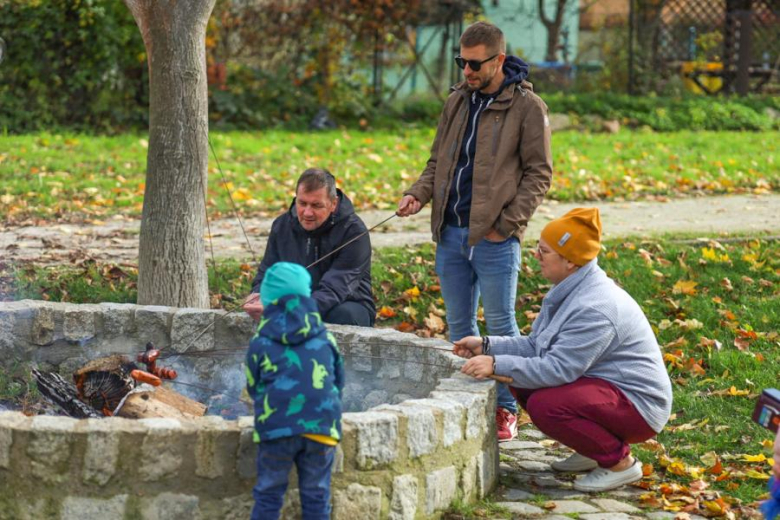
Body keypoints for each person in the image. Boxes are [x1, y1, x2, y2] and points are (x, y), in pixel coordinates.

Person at [397, 21, 553, 442]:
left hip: (494, 238)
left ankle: (507, 410)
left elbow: (539, 174)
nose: (466, 70)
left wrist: (507, 226)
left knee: (501, 328)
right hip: (450, 232)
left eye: (474, 63)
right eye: (461, 62)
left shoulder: (527, 107)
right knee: (459, 325)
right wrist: (418, 195)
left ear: (499, 59)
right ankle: (465, 402)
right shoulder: (457, 101)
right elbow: (437, 162)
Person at [453, 208, 673, 492]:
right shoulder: (569, 288)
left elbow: (558, 369)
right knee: (524, 384)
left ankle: (619, 464)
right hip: (604, 388)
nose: (536, 255)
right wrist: (486, 345)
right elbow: (535, 346)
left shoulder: (596, 308)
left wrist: (495, 365)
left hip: (639, 406)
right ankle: (591, 447)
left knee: (547, 406)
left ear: (569, 260)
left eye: (544, 251)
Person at [246, 261, 343, 520]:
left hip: (275, 429)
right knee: (317, 495)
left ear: (266, 301)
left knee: (268, 494)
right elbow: (338, 381)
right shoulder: (325, 337)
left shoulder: (261, 341)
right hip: (322, 428)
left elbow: (253, 385)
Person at [244, 168, 375, 327]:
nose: (307, 213)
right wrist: (257, 295)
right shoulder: (281, 225)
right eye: (302, 203)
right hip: (291, 305)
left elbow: (335, 289)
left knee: (342, 315)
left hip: (344, 304)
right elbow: (267, 272)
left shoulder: (354, 232)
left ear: (333, 203)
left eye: (316, 205)